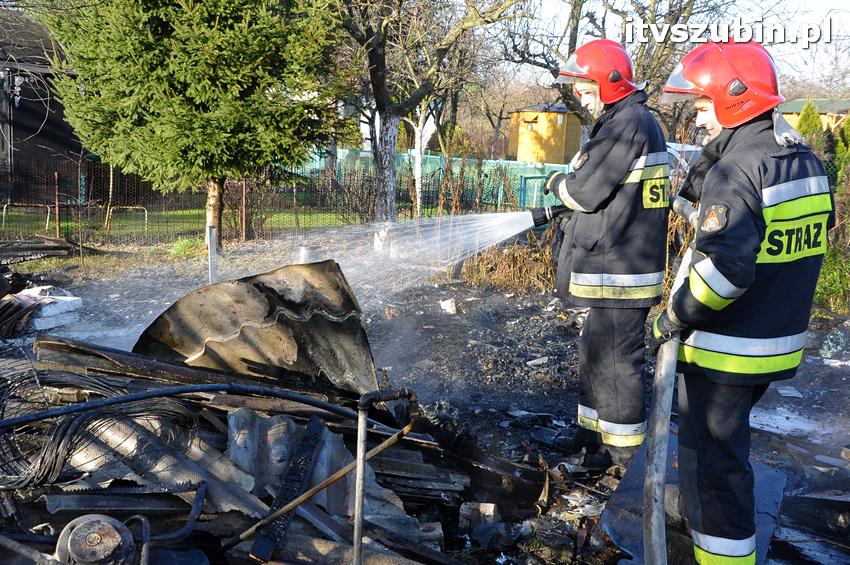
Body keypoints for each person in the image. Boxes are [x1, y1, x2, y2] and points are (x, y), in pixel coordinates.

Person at [653, 40, 834, 565]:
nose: (698, 117)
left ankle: (723, 554)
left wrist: (674, 315)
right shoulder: (801, 158)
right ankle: (697, 519)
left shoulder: (738, 171)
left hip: (726, 348)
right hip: (775, 338)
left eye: (703, 105)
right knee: (707, 449)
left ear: (733, 98)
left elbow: (726, 272)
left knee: (719, 469)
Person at [544, 39, 670, 466]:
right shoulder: (626, 121)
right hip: (615, 264)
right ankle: (593, 441)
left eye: (585, 88)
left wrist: (558, 183)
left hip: (621, 269)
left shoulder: (627, 124)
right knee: (596, 356)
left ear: (609, 82)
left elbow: (584, 191)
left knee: (616, 366)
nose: (581, 97)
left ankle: (623, 458)